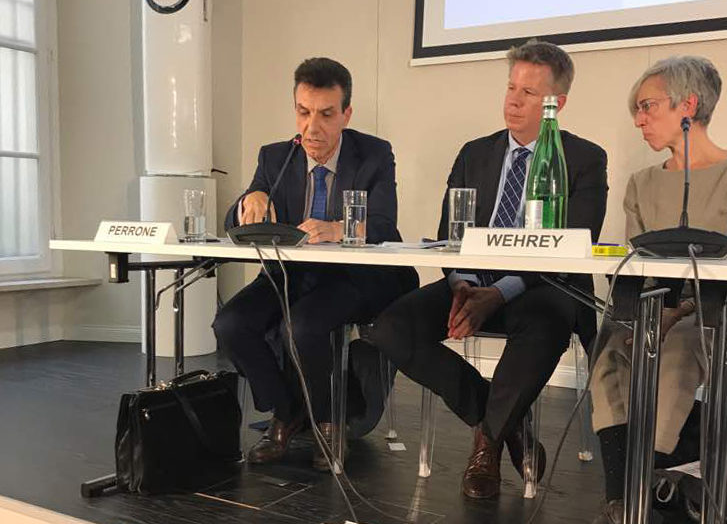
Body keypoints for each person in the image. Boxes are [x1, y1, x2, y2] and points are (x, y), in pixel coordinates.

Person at [371, 39, 608, 499]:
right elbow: (447, 235)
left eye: (528, 93)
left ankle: (487, 445)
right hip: (471, 279)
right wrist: (462, 287)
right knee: (390, 329)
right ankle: (503, 422)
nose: (513, 101)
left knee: (546, 323)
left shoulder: (584, 158)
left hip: (541, 285)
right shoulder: (474, 153)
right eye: (510, 88)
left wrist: (501, 292)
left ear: (557, 103)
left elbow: (578, 243)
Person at [213, 57, 418, 471]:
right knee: (230, 324)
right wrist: (248, 201)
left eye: (325, 114)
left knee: (302, 326)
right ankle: (288, 412)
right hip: (290, 275)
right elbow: (238, 218)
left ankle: (328, 423)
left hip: (351, 278)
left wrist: (339, 228)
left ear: (346, 114)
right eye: (303, 112)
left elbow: (383, 224)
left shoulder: (373, 154)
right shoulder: (276, 156)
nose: (312, 127)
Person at [590, 55, 727, 524]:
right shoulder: (642, 183)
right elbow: (637, 265)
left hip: (711, 315)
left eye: (647, 106)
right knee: (610, 347)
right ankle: (625, 496)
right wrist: (649, 313)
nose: (638, 119)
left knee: (681, 347)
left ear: (688, 106)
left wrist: (678, 310)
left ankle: (645, 481)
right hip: (651, 308)